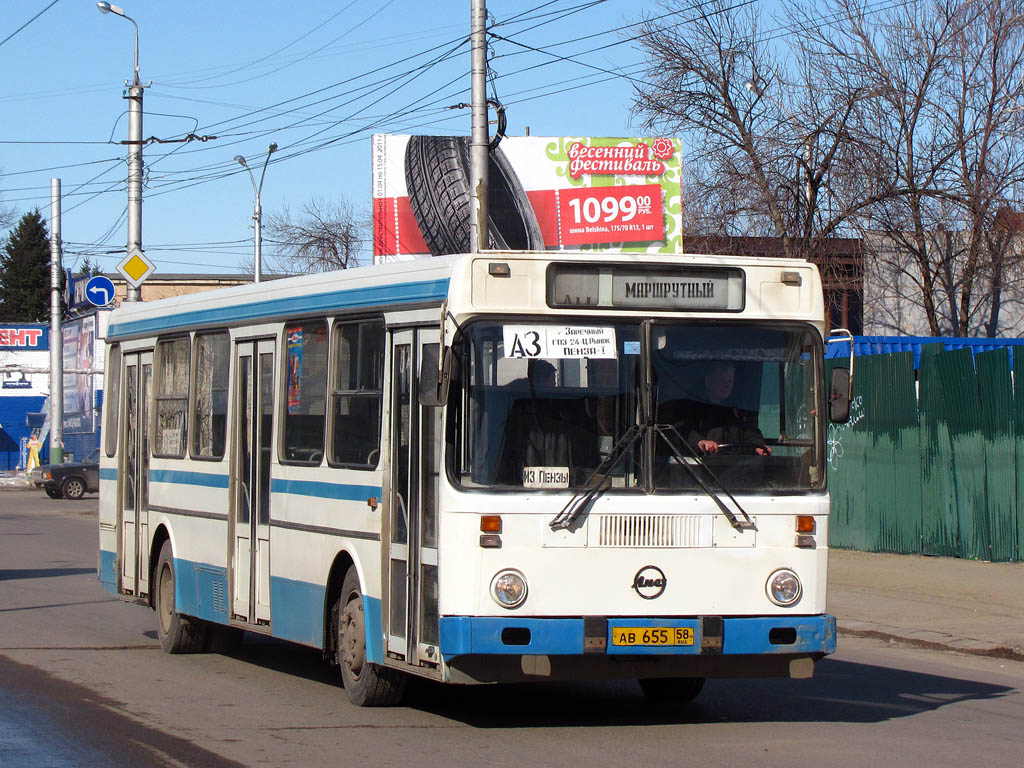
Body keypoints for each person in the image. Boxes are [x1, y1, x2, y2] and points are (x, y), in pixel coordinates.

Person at [684, 361, 771, 456]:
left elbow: (749, 433)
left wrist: (758, 446)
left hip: (737, 467)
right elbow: (684, 433)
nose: (727, 385)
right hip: (704, 468)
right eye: (722, 380)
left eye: (730, 381)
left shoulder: (737, 411)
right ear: (708, 381)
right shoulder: (692, 409)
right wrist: (700, 442)